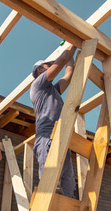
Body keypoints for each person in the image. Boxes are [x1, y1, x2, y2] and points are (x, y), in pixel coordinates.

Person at [30, 44, 77, 198]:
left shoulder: (53, 90)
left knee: (68, 185)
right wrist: (74, 41)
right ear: (39, 70)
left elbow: (68, 74)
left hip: (60, 136)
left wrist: (73, 55)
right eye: (47, 66)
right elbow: (62, 60)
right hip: (46, 136)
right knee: (50, 186)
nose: (51, 67)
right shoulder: (38, 85)